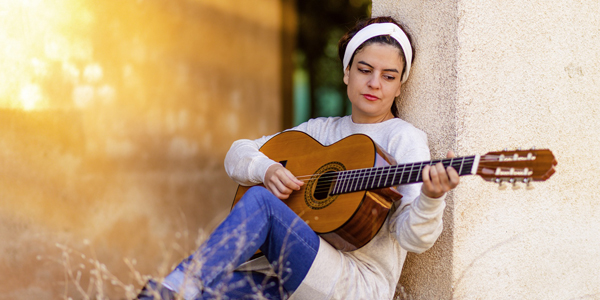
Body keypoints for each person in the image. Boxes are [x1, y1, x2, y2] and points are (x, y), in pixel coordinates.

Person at [137, 16, 460, 300]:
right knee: (211, 290)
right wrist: (267, 169)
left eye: (389, 76)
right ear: (347, 73)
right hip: (282, 275)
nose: (375, 83)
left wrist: (431, 199)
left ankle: (171, 290)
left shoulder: (403, 139)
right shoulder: (320, 131)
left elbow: (414, 240)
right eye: (364, 70)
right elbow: (238, 153)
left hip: (354, 284)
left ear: (400, 87)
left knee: (262, 204)